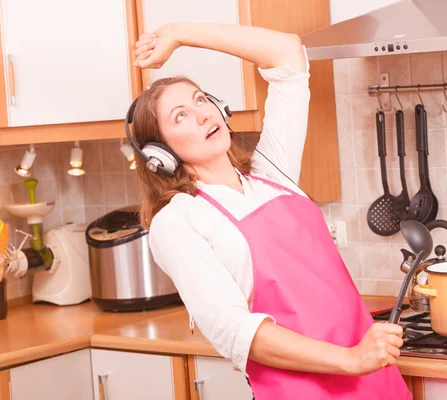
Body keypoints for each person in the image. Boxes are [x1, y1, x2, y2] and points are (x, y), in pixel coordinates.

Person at [129, 21, 412, 400]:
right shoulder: (179, 222)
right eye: (179, 116)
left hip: (375, 380)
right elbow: (237, 333)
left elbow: (287, 54)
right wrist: (350, 359)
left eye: (200, 100)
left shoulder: (272, 174)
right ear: (159, 154)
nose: (201, 114)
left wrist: (181, 34)